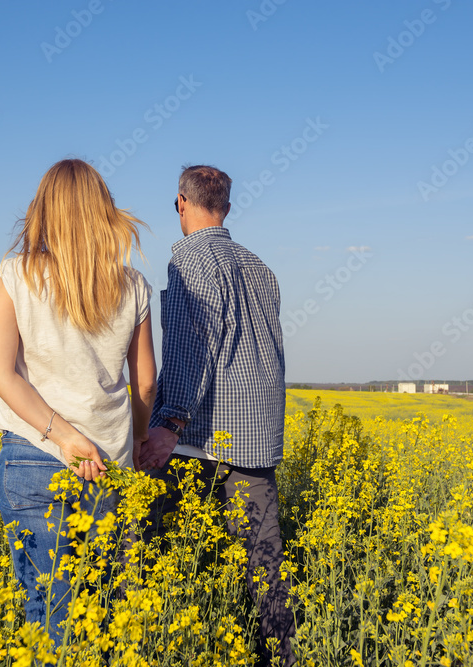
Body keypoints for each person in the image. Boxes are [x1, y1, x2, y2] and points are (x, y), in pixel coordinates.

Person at [0, 158, 156, 641]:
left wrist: (61, 435)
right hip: (110, 463)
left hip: (32, 456)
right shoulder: (133, 286)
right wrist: (139, 437)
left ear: (44, 210)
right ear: (104, 211)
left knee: (48, 614)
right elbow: (144, 385)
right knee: (104, 611)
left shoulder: (16, 274)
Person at [140, 165, 295, 665]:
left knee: (169, 557)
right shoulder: (260, 267)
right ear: (226, 207)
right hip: (257, 439)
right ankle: (279, 656)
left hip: (198, 441)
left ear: (181, 204)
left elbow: (189, 350)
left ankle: (178, 647)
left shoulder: (188, 262)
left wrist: (169, 424)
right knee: (264, 564)